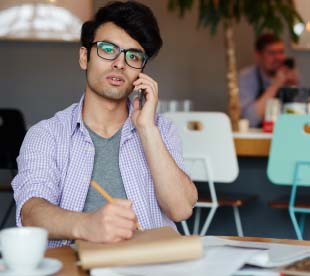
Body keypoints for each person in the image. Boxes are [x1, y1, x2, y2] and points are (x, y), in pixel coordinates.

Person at [12, 1, 197, 248]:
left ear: (141, 72)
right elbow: (31, 212)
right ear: (84, 57)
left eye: (133, 56)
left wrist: (147, 129)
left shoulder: (161, 129)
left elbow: (181, 209)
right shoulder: (46, 134)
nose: (120, 63)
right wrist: (88, 225)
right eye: (108, 49)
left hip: (151, 266)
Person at [238, 33, 299, 127]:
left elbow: (298, 119)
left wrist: (293, 89)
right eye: (272, 53)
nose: (278, 58)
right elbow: (249, 120)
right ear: (258, 55)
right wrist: (276, 85)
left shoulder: (290, 76)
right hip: (256, 138)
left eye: (281, 52)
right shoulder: (246, 77)